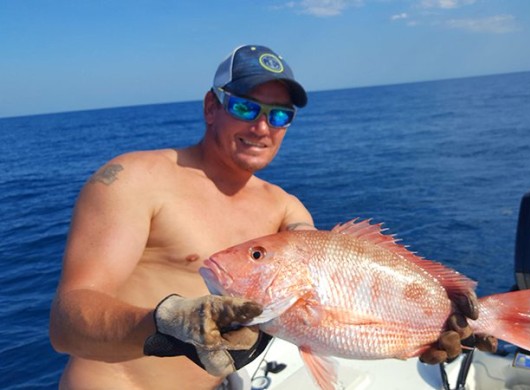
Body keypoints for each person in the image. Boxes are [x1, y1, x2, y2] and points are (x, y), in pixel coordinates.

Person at [49, 44, 488, 390]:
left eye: (279, 115)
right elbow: (66, 322)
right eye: (245, 107)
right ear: (210, 106)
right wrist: (168, 324)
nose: (262, 126)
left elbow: (329, 279)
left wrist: (431, 327)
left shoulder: (285, 209)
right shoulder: (133, 179)